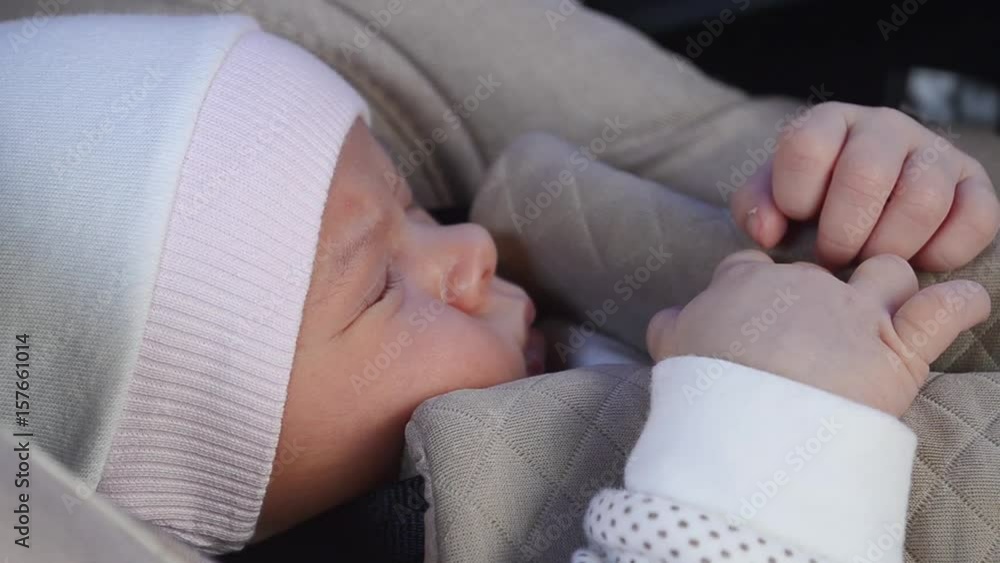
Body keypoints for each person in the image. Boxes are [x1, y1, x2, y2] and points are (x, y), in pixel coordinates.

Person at [0, 14, 995, 560]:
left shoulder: (550, 265)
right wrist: (772, 424)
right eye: (382, 287)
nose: (472, 243)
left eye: (419, 211)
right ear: (216, 497)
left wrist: (873, 188)